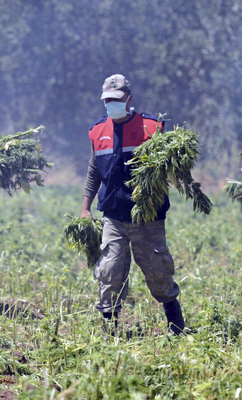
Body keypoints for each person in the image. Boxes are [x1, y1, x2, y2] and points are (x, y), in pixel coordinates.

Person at [81, 74, 185, 335]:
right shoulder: (97, 131)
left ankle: (177, 328)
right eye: (107, 100)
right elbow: (94, 171)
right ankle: (109, 333)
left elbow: (171, 166)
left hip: (148, 218)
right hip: (113, 217)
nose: (111, 104)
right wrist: (85, 207)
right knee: (109, 271)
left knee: (159, 274)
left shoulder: (153, 127)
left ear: (129, 98)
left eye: (117, 100)